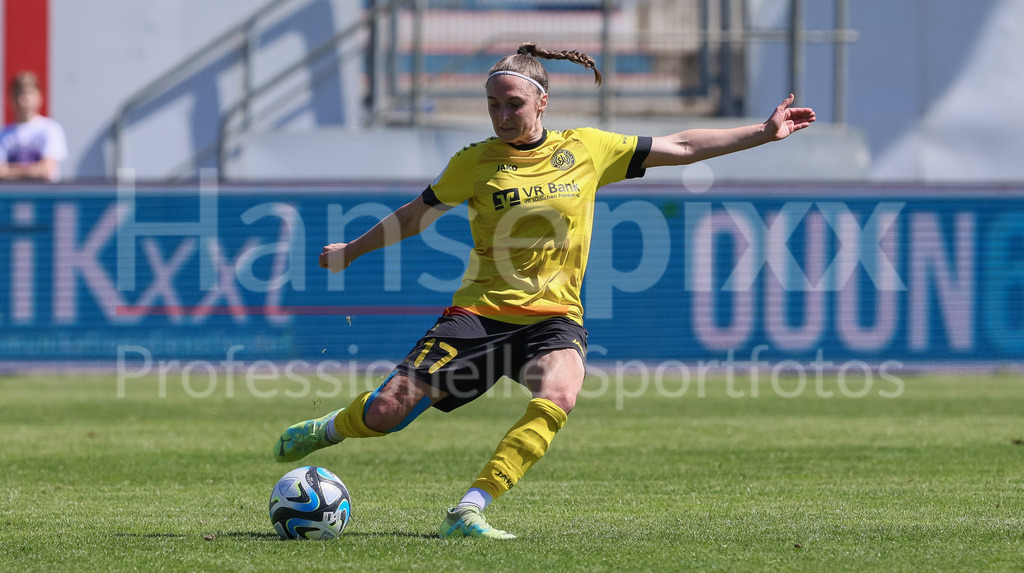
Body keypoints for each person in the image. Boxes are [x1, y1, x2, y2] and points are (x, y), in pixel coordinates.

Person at [274, 42, 815, 539]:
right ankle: (330, 427)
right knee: (387, 412)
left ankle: (468, 509)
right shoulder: (475, 162)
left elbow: (681, 144)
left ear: (542, 103)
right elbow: (416, 216)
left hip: (554, 317)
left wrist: (761, 133)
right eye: (492, 105)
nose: (502, 116)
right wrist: (352, 251)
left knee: (560, 393)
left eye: (512, 104)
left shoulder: (587, 148)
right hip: (479, 313)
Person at [0, 71, 68, 182]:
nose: (23, 100)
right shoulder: (4, 134)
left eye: (29, 94)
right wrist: (34, 169)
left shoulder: (50, 129)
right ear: (11, 98)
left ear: (39, 97)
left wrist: (10, 171)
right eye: (19, 94)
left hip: (44, 197)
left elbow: (46, 170)